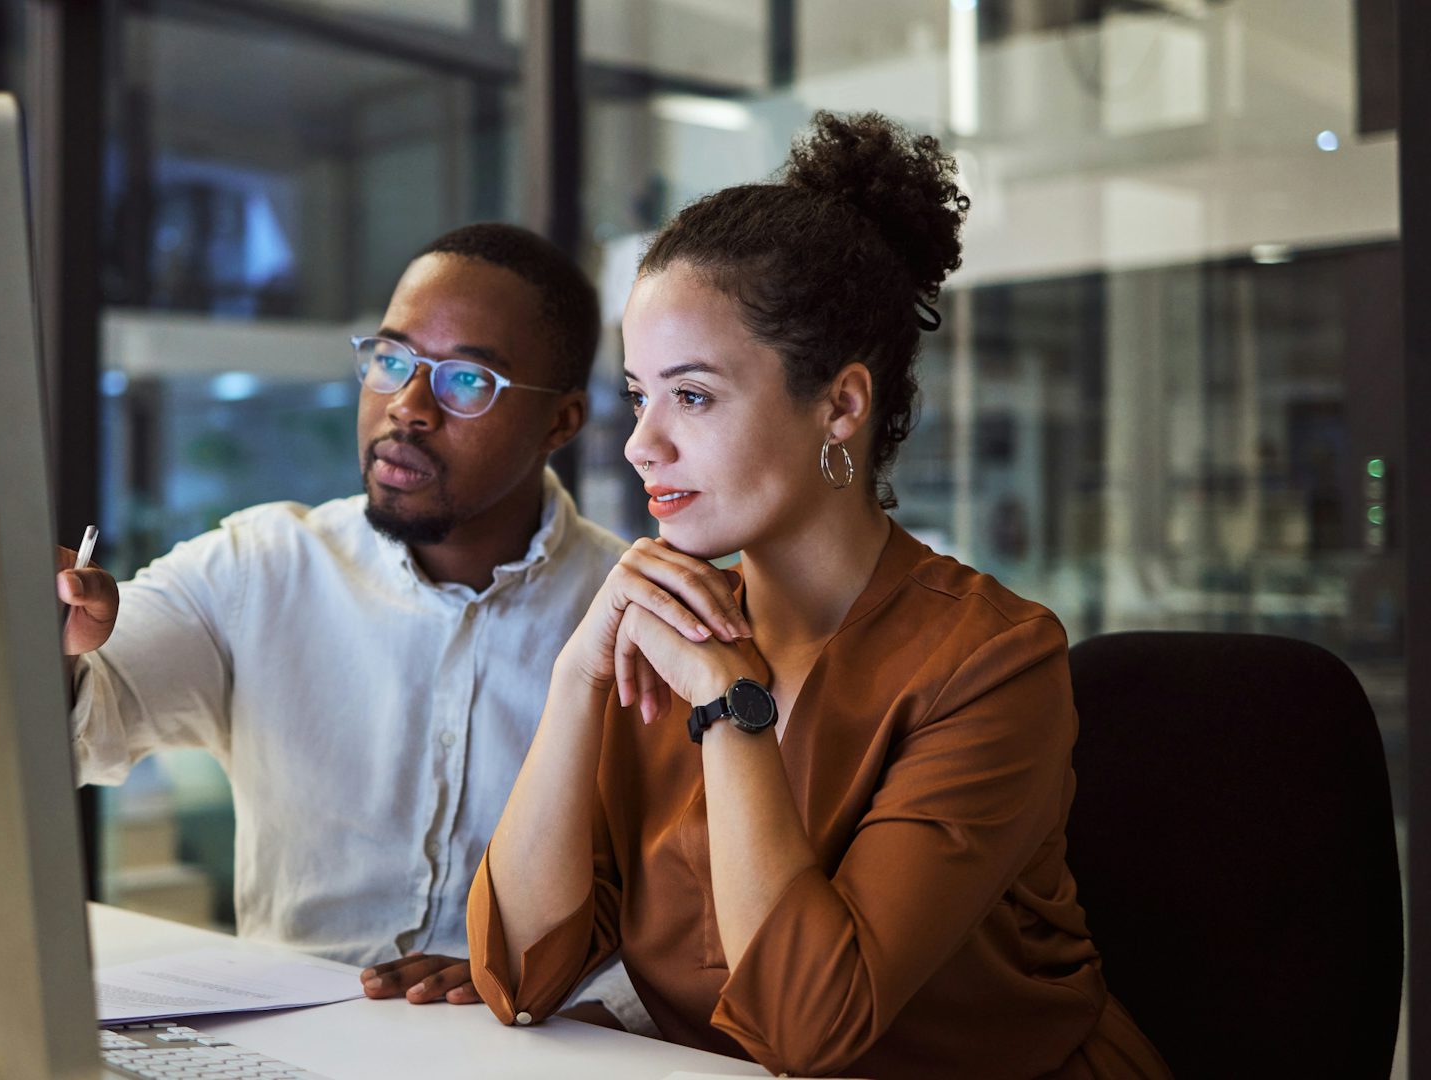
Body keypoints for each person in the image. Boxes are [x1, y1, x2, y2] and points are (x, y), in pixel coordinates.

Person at [467, 114, 1172, 1078]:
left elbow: (813, 1029)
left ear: (842, 404)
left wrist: (730, 708)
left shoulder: (992, 662)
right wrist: (575, 676)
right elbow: (518, 974)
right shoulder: (662, 627)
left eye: (695, 396)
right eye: (638, 396)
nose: (642, 444)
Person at [57, 223, 647, 1027]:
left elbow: (685, 927)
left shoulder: (632, 618)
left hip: (532, 1048)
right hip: (286, 1045)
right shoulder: (263, 566)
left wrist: (552, 985)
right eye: (393, 359)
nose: (406, 407)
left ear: (562, 423)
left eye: (467, 381)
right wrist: (55, 648)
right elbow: (82, 731)